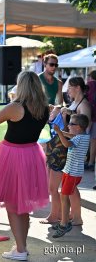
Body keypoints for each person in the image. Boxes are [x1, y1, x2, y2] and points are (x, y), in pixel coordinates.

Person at [0, 71, 49, 261]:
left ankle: (21, 250)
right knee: (23, 206)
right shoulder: (44, 108)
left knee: (12, 205)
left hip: (13, 155)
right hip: (32, 154)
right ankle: (20, 246)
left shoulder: (15, 107)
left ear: (21, 85)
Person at [41, 76, 91, 225]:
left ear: (77, 87)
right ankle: (70, 216)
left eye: (69, 87)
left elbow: (81, 131)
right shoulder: (74, 103)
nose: (67, 90)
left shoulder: (84, 106)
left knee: (61, 188)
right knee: (65, 188)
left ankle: (63, 216)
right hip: (63, 150)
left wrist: (64, 117)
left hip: (68, 151)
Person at [52, 114, 89, 238]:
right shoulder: (83, 136)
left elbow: (67, 144)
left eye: (71, 124)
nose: (68, 125)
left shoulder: (78, 139)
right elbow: (72, 136)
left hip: (73, 173)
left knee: (64, 196)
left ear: (78, 127)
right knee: (64, 195)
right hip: (70, 171)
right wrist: (62, 132)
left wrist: (59, 132)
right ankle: (65, 220)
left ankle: (64, 224)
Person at [86, 70, 96, 179]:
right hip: (94, 117)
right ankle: (91, 161)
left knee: (93, 141)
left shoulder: (90, 84)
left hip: (92, 116)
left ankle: (90, 162)